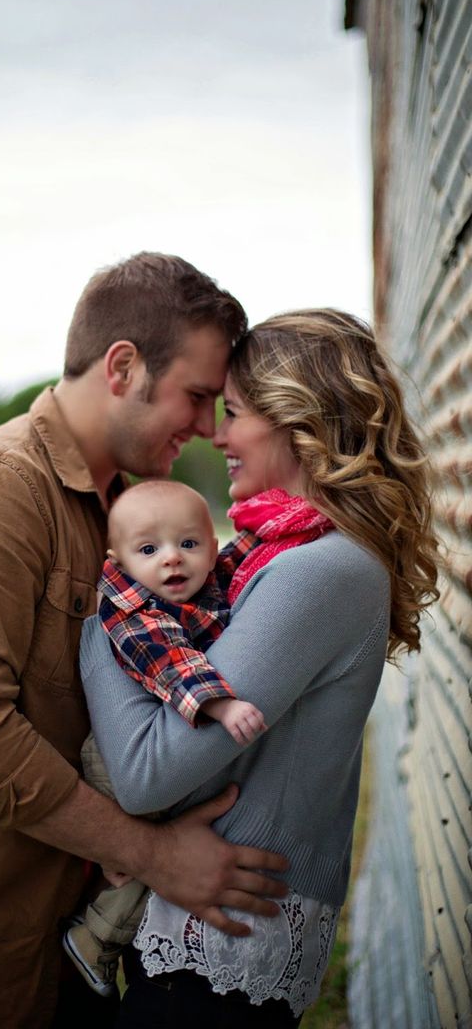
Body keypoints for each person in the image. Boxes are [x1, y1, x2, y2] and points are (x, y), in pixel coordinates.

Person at [0, 252, 292, 1029]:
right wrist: (151, 856)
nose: (211, 428)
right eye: (199, 396)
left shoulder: (128, 515)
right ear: (122, 367)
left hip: (53, 944)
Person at [80, 309, 439, 1027]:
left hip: (218, 955)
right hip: (213, 933)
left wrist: (104, 621)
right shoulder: (275, 557)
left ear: (296, 419)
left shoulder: (320, 571)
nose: (216, 435)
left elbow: (144, 772)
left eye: (235, 413)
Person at [64, 479, 270, 997]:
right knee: (148, 855)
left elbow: (241, 551)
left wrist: (276, 523)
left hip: (154, 734)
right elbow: (170, 661)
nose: (173, 561)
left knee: (162, 845)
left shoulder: (201, 578)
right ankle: (95, 937)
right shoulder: (134, 609)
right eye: (150, 549)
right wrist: (222, 704)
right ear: (121, 559)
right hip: (118, 756)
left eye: (189, 543)